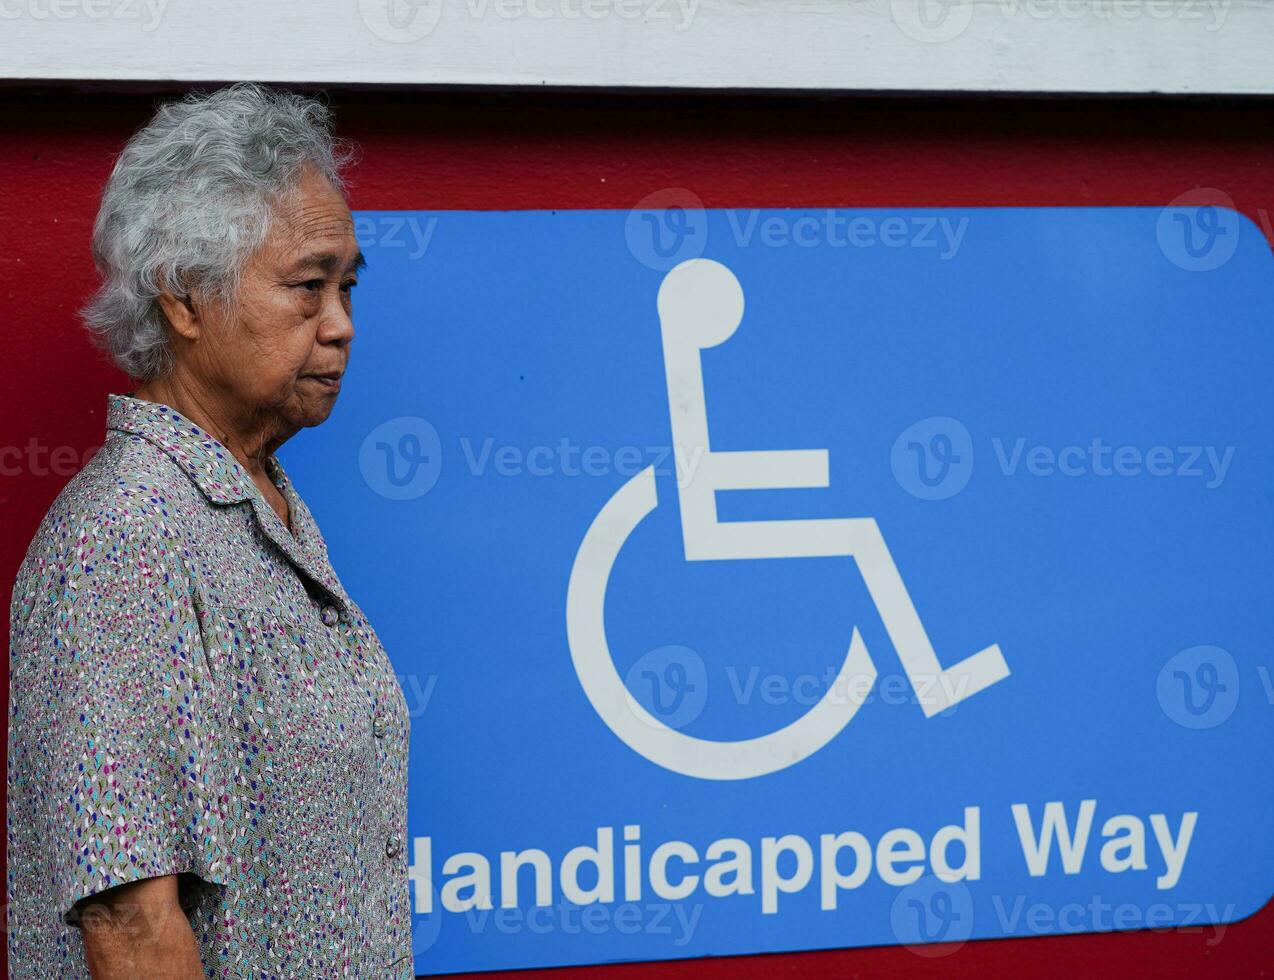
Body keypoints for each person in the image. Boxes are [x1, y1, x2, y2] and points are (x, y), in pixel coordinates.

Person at [6, 83, 413, 978]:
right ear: (186, 299)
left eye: (347, 287)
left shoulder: (257, 501)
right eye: (307, 287)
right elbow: (130, 925)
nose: (341, 325)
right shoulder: (123, 542)